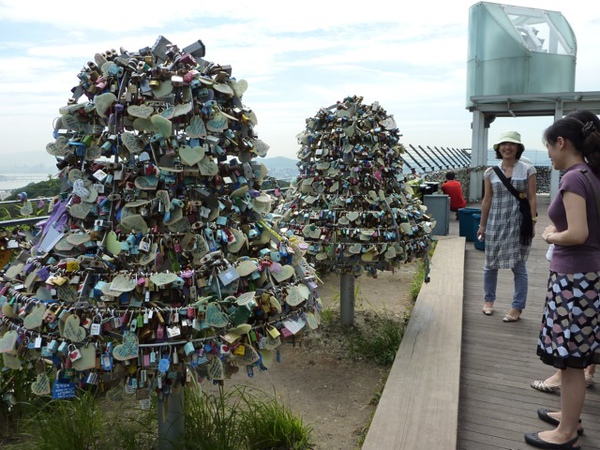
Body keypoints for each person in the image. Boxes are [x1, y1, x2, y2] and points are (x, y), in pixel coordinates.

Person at [524, 110, 600, 449]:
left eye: (549, 148)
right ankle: (569, 416)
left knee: (570, 359)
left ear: (561, 142)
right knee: (575, 354)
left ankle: (567, 432)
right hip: (588, 276)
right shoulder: (592, 174)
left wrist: (551, 236)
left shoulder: (573, 178)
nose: (549, 155)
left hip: (575, 279)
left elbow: (578, 233)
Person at [478, 131, 537, 322]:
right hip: (495, 222)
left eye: (512, 144)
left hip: (519, 223)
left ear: (518, 148)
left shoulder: (528, 170)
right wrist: (482, 224)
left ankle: (517, 307)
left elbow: (532, 197)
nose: (507, 147)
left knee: (519, 266)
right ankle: (488, 300)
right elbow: (487, 199)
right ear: (498, 148)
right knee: (490, 265)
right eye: (503, 144)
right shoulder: (490, 172)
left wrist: (533, 222)